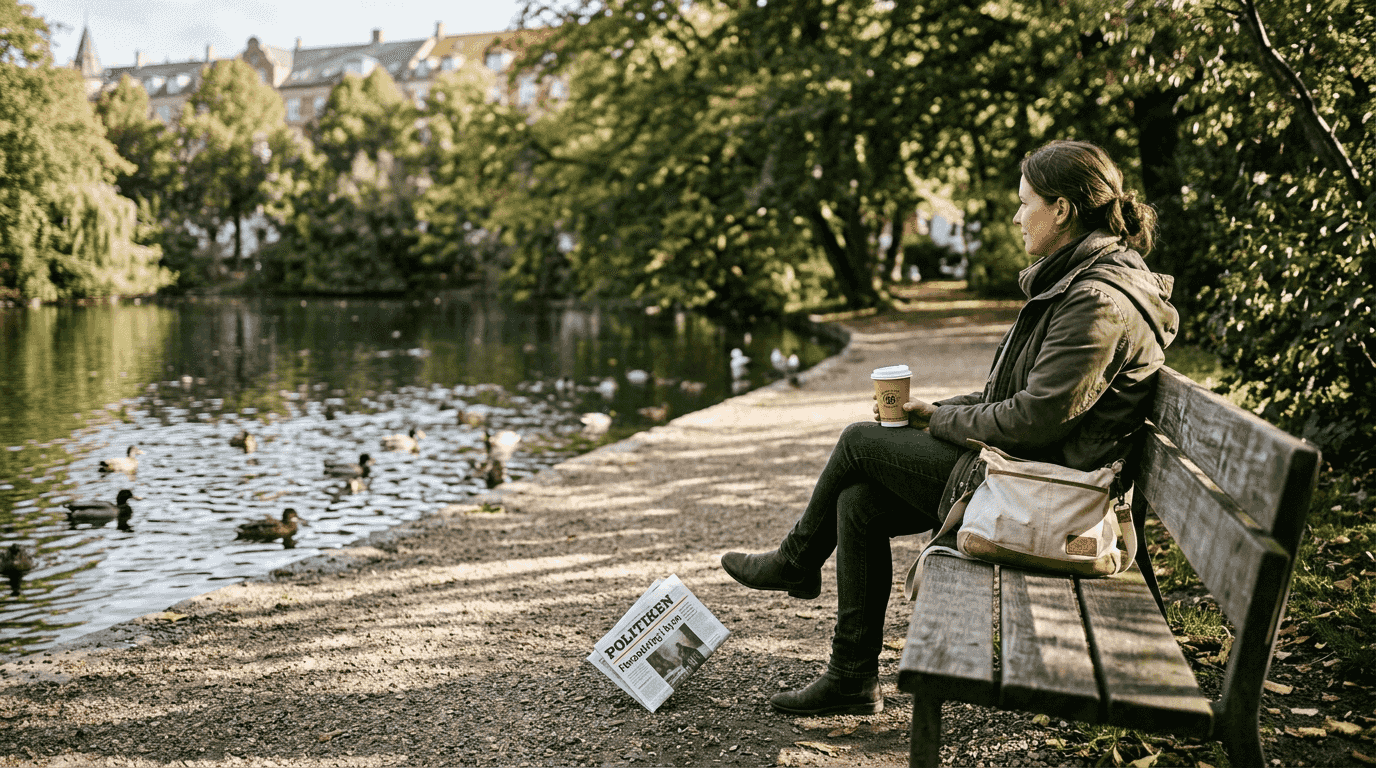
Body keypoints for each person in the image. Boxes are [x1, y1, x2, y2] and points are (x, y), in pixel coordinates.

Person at [720, 139, 1179, 716]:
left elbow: (1034, 422)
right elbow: (1013, 399)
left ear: (1061, 209)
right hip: (1032, 477)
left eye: (1025, 203)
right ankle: (850, 679)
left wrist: (943, 422)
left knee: (860, 443)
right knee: (858, 502)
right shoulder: (1079, 280)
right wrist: (935, 411)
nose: (1017, 217)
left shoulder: (1097, 299)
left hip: (1048, 495)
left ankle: (795, 561)